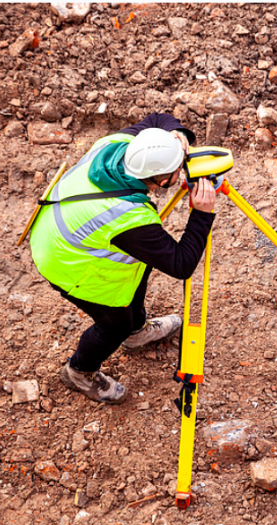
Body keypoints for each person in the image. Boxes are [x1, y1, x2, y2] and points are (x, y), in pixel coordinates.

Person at [29, 113, 216, 404]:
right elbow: (181, 265)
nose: (183, 170)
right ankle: (79, 371)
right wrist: (202, 214)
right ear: (162, 179)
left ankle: (136, 331)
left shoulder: (118, 145)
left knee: (139, 264)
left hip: (61, 229)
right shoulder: (126, 218)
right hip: (65, 262)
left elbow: (157, 118)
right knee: (114, 324)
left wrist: (175, 133)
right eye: (178, 168)